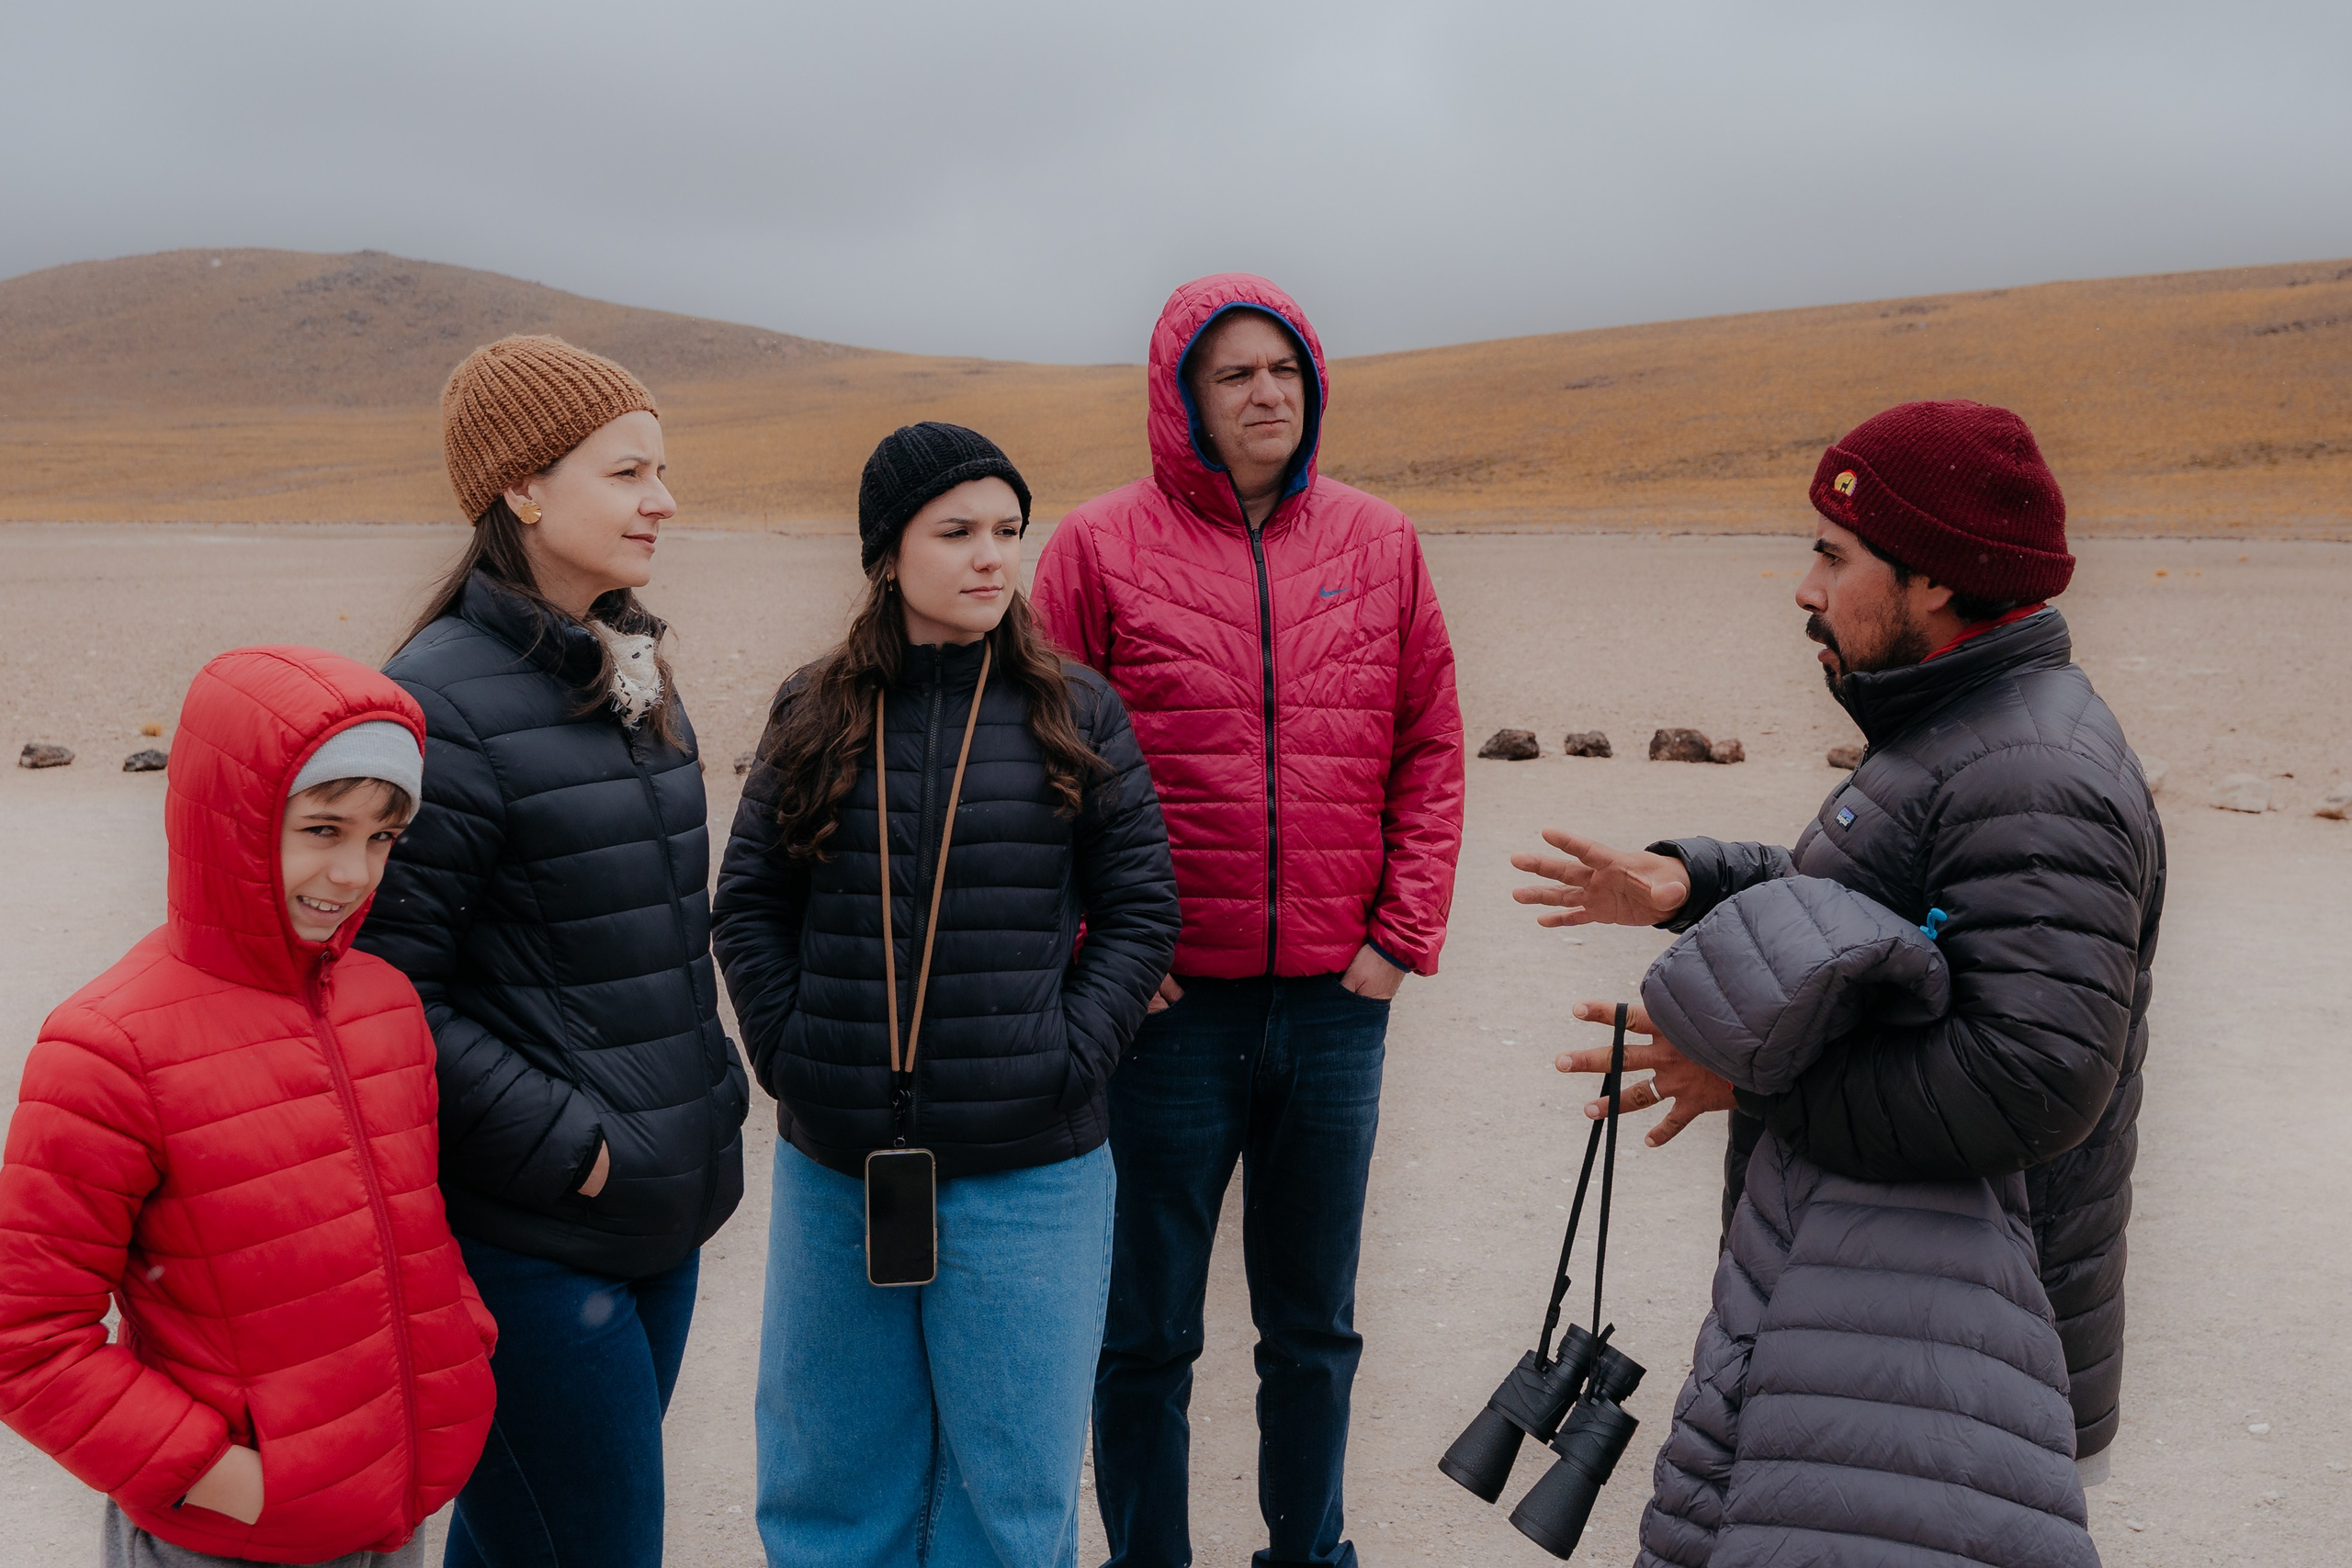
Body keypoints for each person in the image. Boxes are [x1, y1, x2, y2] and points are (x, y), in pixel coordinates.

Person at [1513, 400, 2162, 1566]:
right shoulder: (1965, 728)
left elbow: (2030, 1082)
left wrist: (1749, 1080)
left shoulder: (2033, 770)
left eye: (1831, 553)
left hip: (1953, 1353)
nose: (1802, 587)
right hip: (1886, 1319)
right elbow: (1899, 904)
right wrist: (1693, 882)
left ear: (1935, 581)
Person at [1034, 276, 1465, 1568]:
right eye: (1233, 374)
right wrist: (1106, 948)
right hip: (1168, 1012)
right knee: (1146, 1326)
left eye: (1283, 368)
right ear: (1182, 398)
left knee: (1314, 1324)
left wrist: (1402, 934)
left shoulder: (1380, 542)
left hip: (1338, 1004)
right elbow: (1040, 760)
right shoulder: (1098, 548)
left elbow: (1430, 743)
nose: (1266, 391)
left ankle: (1309, 1549)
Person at [712, 423, 1180, 1566]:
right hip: (839, 1174)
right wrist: (793, 1052)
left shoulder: (1077, 710)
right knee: (829, 1484)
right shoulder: (811, 708)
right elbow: (748, 904)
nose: (991, 558)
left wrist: (1065, 1056)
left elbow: (1140, 912)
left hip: (1032, 1174)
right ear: (887, 552)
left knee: (1013, 1497)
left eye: (1008, 531)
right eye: (956, 531)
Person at [357, 336, 749, 1568]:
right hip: (531, 1239)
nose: (664, 500)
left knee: (530, 1538)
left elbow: (652, 937)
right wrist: (570, 1143)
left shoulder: (629, 671)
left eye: (664, 469)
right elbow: (386, 988)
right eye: (628, 471)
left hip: (657, 1212)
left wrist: (707, 1096)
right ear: (522, 487)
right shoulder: (439, 703)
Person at [0, 646, 497, 1567]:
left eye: (381, 838)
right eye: (321, 829)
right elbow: (23, 1338)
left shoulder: (387, 1004)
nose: (352, 874)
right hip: (232, 1537)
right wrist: (222, 1478)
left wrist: (461, 1345)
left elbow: (412, 1226)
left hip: (396, 1505)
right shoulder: (109, 1047)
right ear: (229, 819)